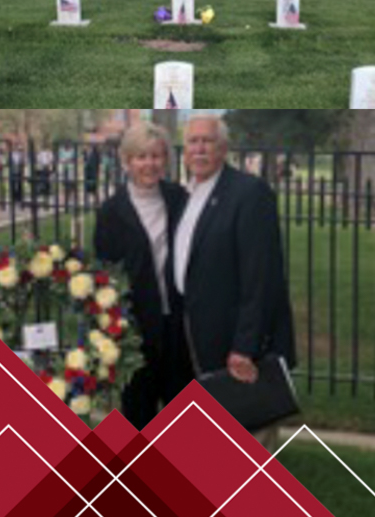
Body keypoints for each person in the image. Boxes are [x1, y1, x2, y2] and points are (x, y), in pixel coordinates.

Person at [172, 116, 298, 398]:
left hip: (238, 349)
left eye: (208, 141)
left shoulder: (249, 193)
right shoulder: (186, 196)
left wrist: (246, 346)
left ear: (224, 148)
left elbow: (262, 277)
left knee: (245, 433)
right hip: (197, 339)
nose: (200, 149)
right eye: (193, 141)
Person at [94, 122, 189, 429]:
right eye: (141, 157)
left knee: (183, 412)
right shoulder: (111, 211)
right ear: (127, 161)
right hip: (135, 330)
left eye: (157, 156)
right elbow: (104, 274)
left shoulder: (180, 199)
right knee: (138, 414)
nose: (149, 164)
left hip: (178, 325)